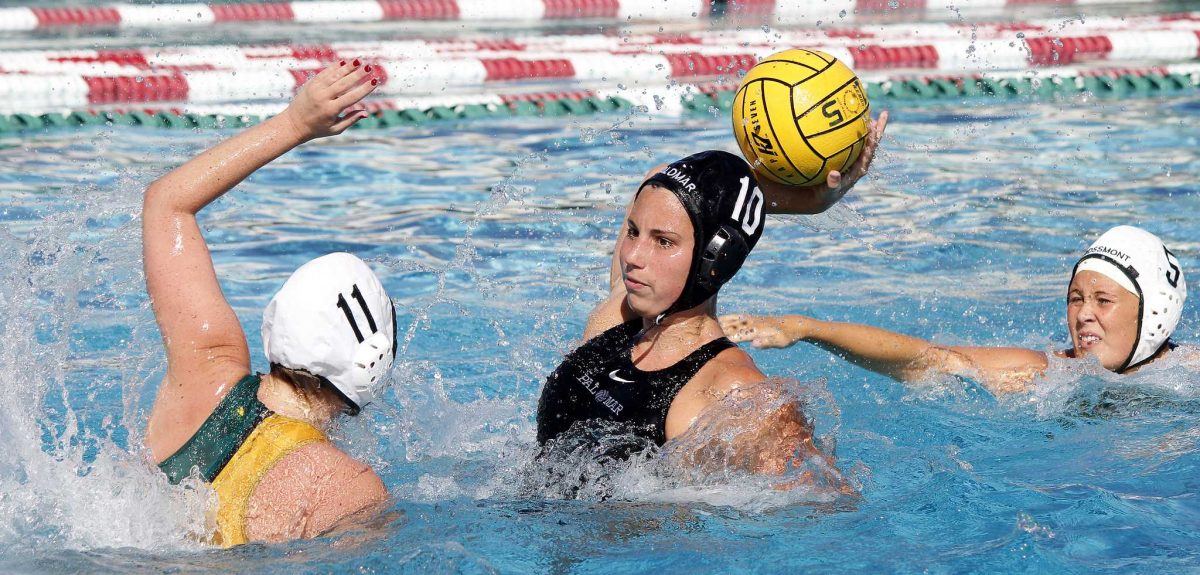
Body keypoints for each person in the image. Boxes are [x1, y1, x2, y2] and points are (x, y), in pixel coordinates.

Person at [534, 112, 889, 476]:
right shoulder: (617, 314)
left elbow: (829, 507)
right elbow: (658, 178)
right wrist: (811, 201)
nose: (632, 256)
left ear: (714, 258)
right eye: (633, 231)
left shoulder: (734, 396)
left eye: (663, 241)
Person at [143, 60, 395, 546]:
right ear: (373, 363)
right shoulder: (346, 489)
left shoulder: (203, 376)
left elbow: (166, 202)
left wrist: (296, 123)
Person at [720, 225, 1188, 396]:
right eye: (1075, 298)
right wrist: (807, 328)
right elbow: (931, 359)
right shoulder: (1048, 376)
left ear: (1155, 312)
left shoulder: (1189, 373)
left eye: (1103, 301)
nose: (1083, 314)